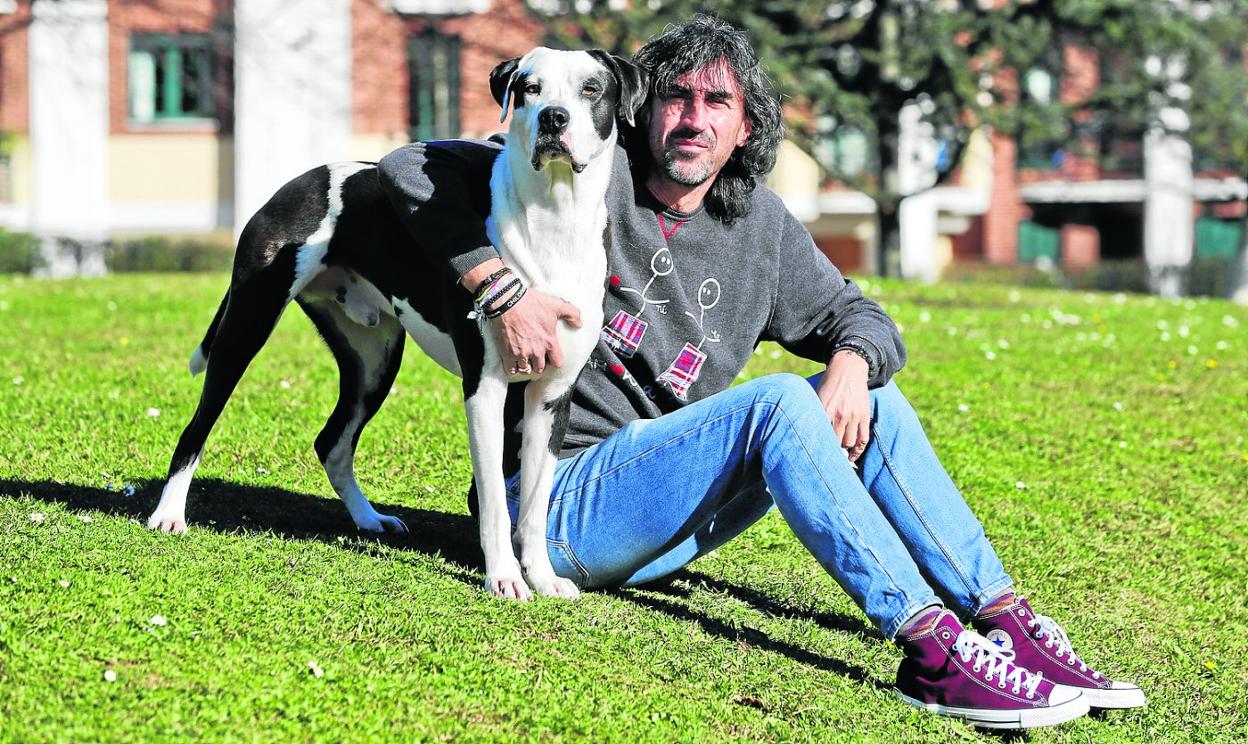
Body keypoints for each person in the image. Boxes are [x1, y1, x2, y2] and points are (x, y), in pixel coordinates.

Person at [377, 15, 1145, 730]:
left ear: (745, 127)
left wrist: (850, 363)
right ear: (642, 112)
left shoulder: (759, 228)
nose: (693, 118)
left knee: (873, 393)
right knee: (777, 401)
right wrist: (496, 282)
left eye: (717, 102)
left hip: (658, 501)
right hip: (554, 505)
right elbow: (407, 166)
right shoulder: (583, 167)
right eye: (675, 97)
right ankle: (933, 652)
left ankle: (1007, 623)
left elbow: (866, 319)